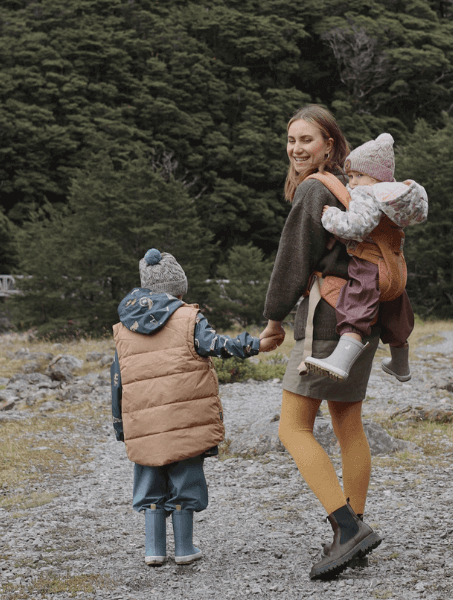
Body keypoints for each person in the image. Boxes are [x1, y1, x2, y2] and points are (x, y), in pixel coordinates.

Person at [258, 105, 383, 581]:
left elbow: (292, 260)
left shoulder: (314, 190)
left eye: (306, 139)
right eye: (291, 140)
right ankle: (356, 529)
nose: (296, 148)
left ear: (329, 144)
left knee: (292, 429)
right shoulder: (356, 188)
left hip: (328, 319)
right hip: (363, 317)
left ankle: (347, 528)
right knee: (348, 423)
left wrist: (273, 319)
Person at [110, 248, 267, 567]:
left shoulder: (124, 328)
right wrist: (255, 344)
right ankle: (183, 548)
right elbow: (218, 345)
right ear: (178, 291)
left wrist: (120, 425)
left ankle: (154, 550)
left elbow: (117, 380)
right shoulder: (188, 318)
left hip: (144, 423)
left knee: (149, 479)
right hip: (184, 420)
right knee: (185, 478)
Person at [303, 133, 427, 383]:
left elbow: (357, 226)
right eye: (350, 176)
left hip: (370, 265)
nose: (353, 182)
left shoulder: (367, 193)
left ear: (377, 175)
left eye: (358, 175)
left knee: (355, 305)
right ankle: (400, 364)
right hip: (395, 270)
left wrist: (331, 217)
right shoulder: (394, 196)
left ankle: (340, 361)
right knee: (396, 313)